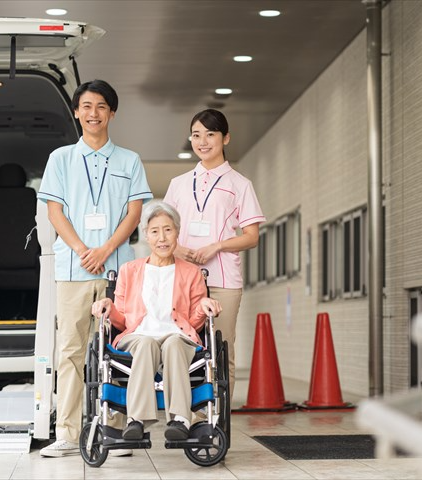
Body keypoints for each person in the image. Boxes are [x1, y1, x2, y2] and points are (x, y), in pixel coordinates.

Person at [37, 79, 153, 457]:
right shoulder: (60, 159)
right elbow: (55, 211)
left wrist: (104, 249)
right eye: (86, 106)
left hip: (116, 270)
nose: (93, 113)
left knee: (116, 351)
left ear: (112, 113)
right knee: (69, 350)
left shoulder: (129, 160)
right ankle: (68, 433)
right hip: (73, 268)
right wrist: (83, 249)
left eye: (101, 106)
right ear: (76, 111)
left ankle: (116, 430)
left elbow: (135, 211)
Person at [91, 202, 222, 441]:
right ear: (147, 236)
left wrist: (203, 307)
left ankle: (180, 420)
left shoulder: (191, 272)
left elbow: (194, 323)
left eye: (168, 230)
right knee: (146, 344)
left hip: (178, 336)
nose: (162, 238)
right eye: (154, 231)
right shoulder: (129, 271)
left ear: (177, 233)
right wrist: (109, 307)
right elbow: (121, 320)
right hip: (138, 335)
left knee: (173, 343)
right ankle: (136, 420)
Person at [163, 109, 265, 402]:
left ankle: (219, 419)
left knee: (221, 349)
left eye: (210, 134)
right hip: (182, 277)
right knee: (181, 345)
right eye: (196, 135)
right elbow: (163, 227)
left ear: (225, 138)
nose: (203, 141)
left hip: (223, 280)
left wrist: (217, 246)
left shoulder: (240, 184)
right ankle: (190, 415)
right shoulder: (179, 184)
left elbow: (251, 237)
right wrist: (177, 248)